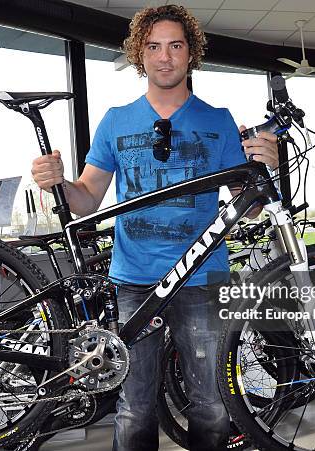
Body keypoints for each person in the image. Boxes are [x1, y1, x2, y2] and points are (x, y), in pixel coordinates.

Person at [31, 5, 279, 450]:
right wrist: (59, 183)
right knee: (135, 406)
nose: (165, 57)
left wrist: (265, 168)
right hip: (135, 279)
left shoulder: (218, 120)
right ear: (139, 55)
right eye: (154, 46)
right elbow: (87, 197)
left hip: (203, 279)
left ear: (191, 55)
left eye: (175, 46)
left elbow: (252, 210)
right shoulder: (116, 120)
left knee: (212, 403)